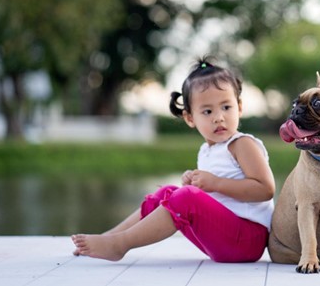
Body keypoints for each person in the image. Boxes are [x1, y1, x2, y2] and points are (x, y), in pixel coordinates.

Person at [71, 58, 275, 263]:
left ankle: (119, 245)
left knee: (185, 197)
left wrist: (215, 183)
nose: (219, 117)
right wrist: (199, 185)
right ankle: (110, 237)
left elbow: (265, 189)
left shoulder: (242, 144)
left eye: (226, 107)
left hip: (248, 240)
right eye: (207, 111)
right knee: (167, 193)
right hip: (223, 238)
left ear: (239, 107)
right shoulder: (207, 150)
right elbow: (217, 199)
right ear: (190, 118)